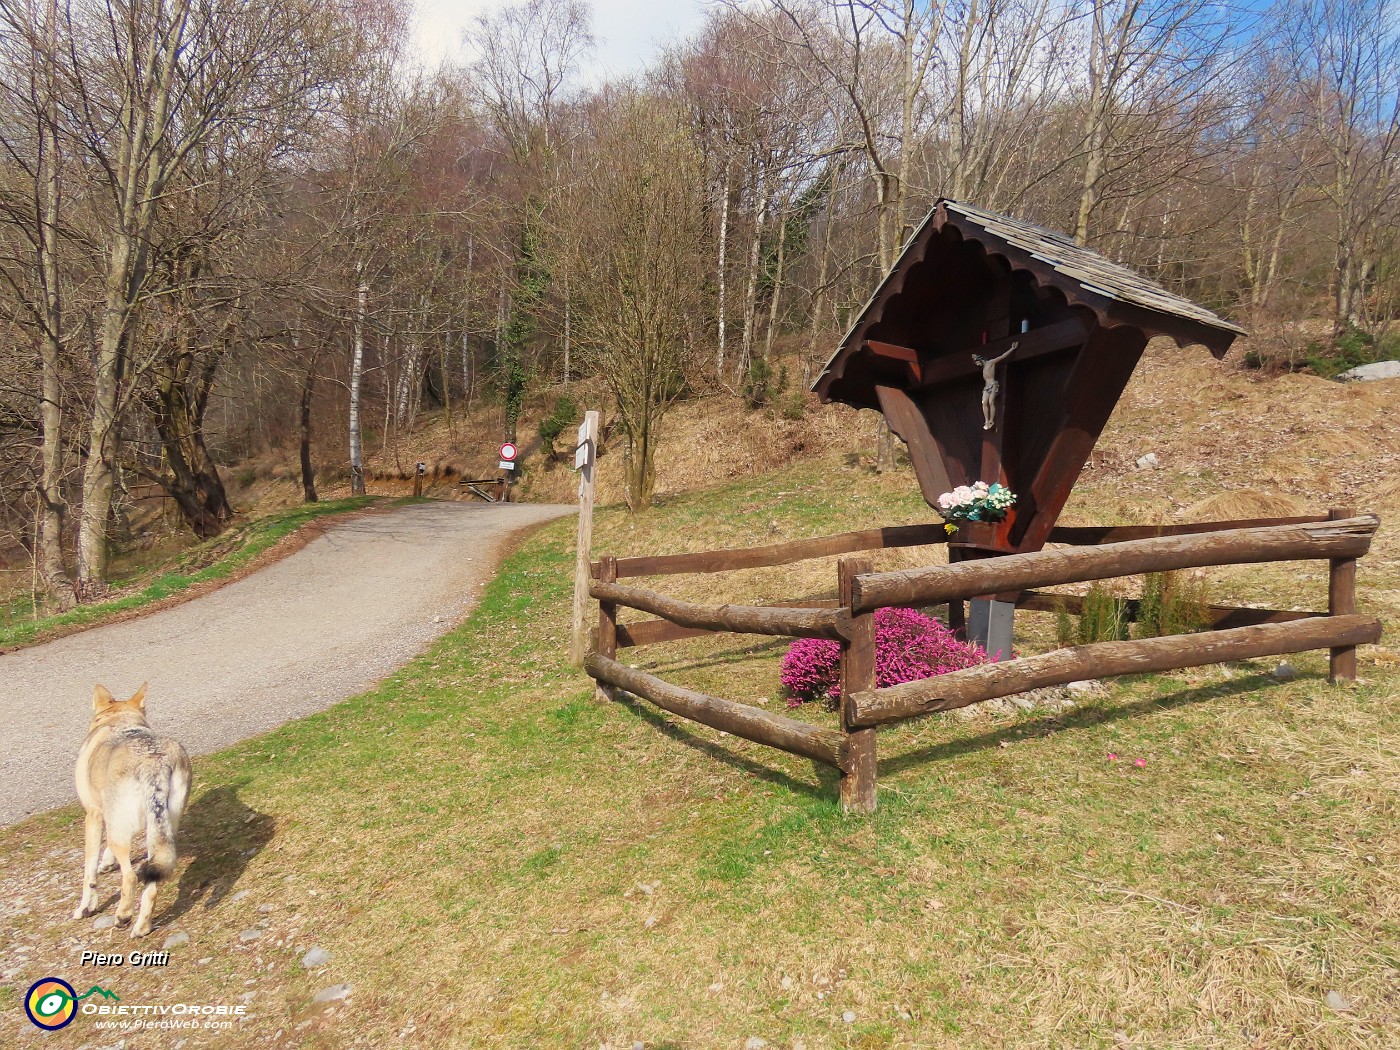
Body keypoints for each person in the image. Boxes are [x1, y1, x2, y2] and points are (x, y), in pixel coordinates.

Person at [973, 341, 1017, 430]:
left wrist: (1012, 348)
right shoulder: (983, 369)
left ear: (980, 360)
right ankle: (986, 420)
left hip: (993, 384)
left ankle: (991, 420)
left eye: (977, 362)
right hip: (986, 387)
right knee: (983, 402)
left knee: (991, 401)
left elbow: (1002, 356)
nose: (977, 365)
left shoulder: (991, 362)